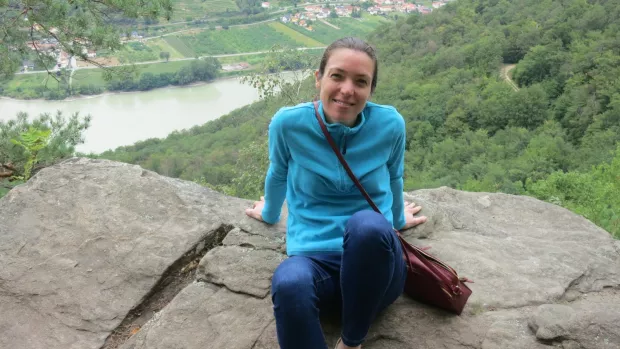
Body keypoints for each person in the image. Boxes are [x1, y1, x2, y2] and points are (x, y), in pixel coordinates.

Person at [244, 37, 428, 349]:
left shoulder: (390, 124)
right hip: (317, 267)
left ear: (371, 89)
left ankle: (352, 340)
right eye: (337, 76)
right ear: (318, 78)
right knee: (289, 282)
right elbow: (278, 172)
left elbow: (395, 175)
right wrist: (270, 212)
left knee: (367, 226)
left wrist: (396, 220)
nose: (347, 89)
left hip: (377, 272)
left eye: (361, 81)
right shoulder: (289, 124)